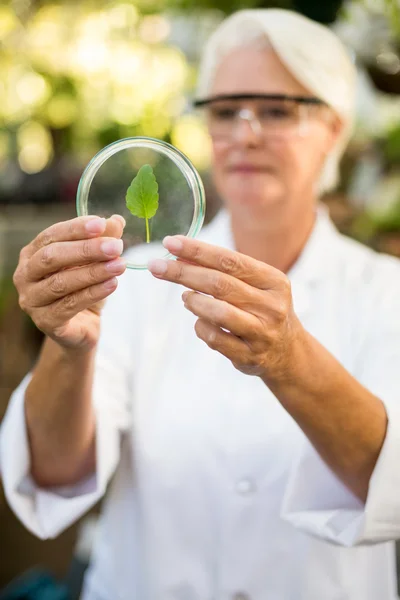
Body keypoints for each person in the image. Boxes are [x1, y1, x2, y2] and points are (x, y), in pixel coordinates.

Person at [1, 8, 400, 600]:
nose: (245, 132)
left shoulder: (387, 291)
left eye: (277, 109)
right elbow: (57, 473)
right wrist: (68, 350)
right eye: (223, 110)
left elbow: (389, 485)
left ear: (336, 130)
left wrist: (290, 358)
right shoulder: (135, 272)